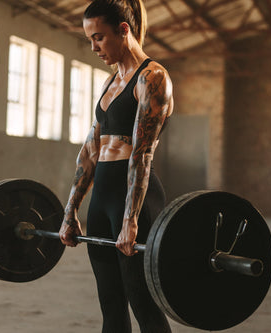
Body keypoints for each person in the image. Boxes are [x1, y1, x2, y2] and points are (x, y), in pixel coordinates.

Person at [59, 0, 173, 332]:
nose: (94, 47)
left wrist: (131, 219)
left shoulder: (152, 78)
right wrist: (71, 211)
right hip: (103, 200)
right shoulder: (111, 83)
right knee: (110, 304)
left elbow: (142, 152)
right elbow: (90, 150)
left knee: (144, 305)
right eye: (90, 40)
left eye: (99, 38)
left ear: (123, 30)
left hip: (134, 201)